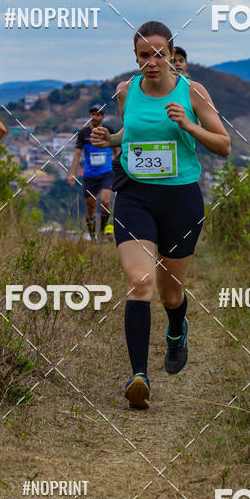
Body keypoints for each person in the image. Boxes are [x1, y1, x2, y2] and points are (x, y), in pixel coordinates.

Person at [91, 21, 230, 409]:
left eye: (158, 54)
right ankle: (139, 377)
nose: (151, 62)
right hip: (135, 196)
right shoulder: (125, 91)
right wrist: (111, 139)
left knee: (171, 295)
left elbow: (224, 145)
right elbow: (131, 134)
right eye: (142, 56)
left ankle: (176, 328)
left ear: (171, 55)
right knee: (140, 282)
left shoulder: (193, 92)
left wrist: (187, 124)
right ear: (135, 58)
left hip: (181, 200)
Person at [68, 105, 117, 241]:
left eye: (98, 115)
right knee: (90, 206)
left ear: (103, 117)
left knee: (106, 201)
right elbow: (77, 153)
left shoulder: (109, 131)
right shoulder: (83, 133)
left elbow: (116, 150)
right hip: (90, 175)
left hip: (106, 172)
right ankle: (92, 236)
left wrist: (120, 167)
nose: (95, 117)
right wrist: (72, 173)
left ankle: (102, 230)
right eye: (93, 114)